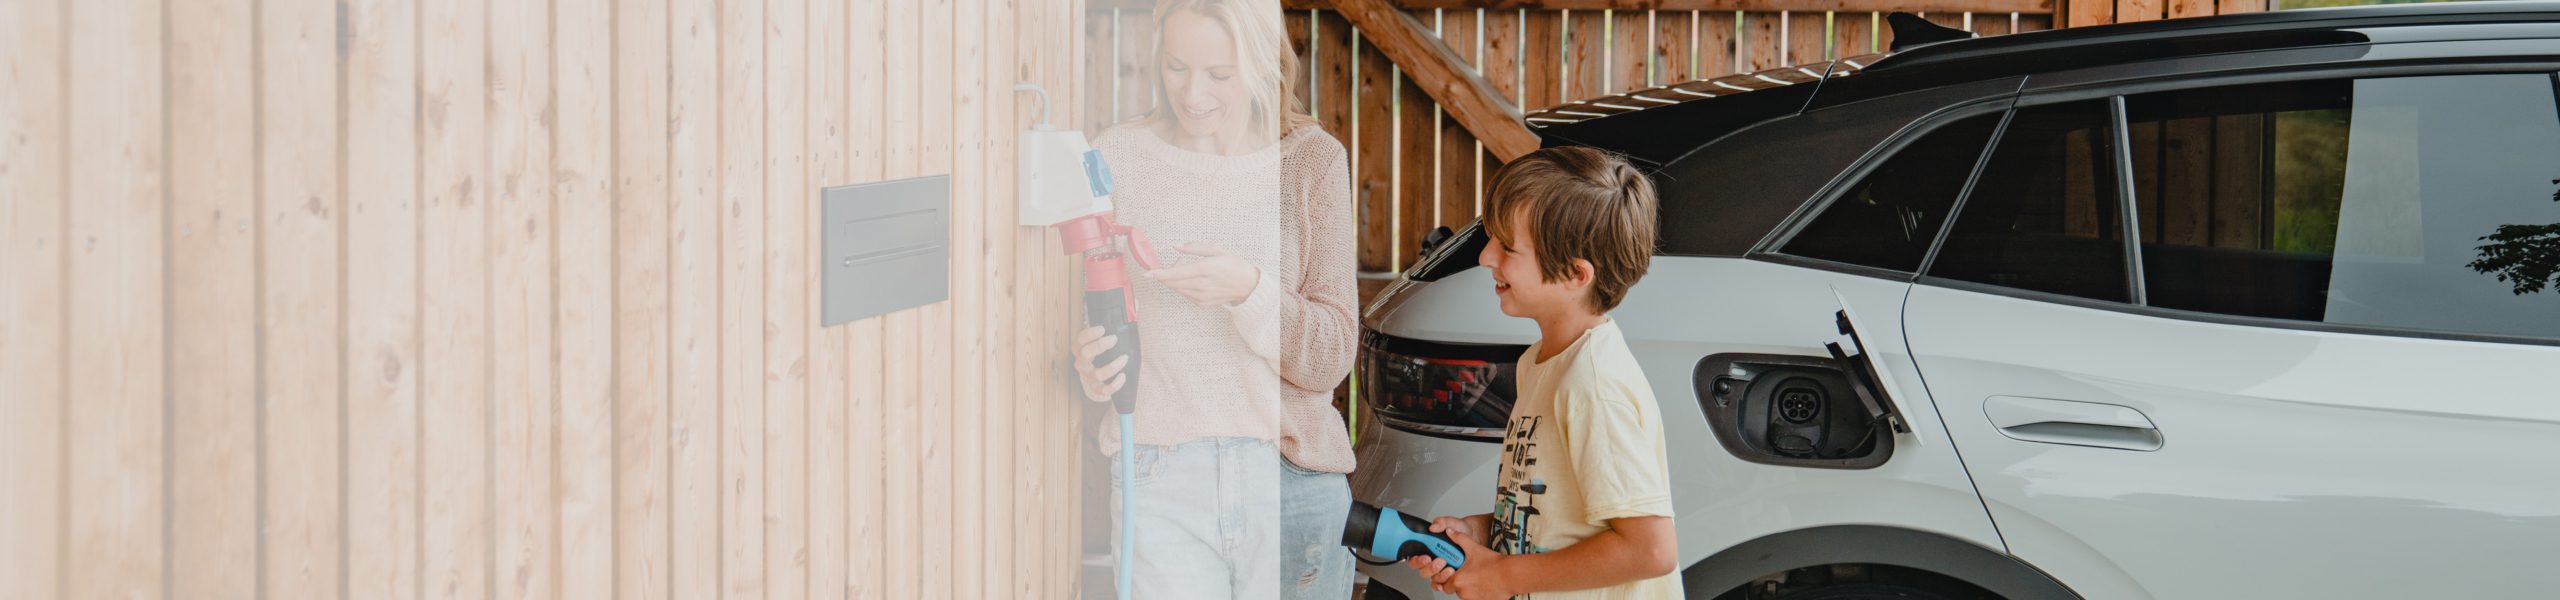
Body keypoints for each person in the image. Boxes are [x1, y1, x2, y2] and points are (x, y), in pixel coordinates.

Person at [1067, 0, 1359, 597]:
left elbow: (1331, 355)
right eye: (1177, 67)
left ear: (1262, 64)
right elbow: (1084, 313)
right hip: (1158, 477)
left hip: (1291, 481)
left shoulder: (1311, 163)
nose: (1192, 92)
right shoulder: (1115, 157)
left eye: (1219, 75)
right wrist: (1094, 367)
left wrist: (1249, 292)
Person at [1404, 147, 1683, 600]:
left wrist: (1504, 577)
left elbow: (1650, 549)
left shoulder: (1593, 385)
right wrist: (1481, 534)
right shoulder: (1543, 362)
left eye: (1508, 247)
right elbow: (1556, 517)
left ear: (1576, 274)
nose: (1486, 257)